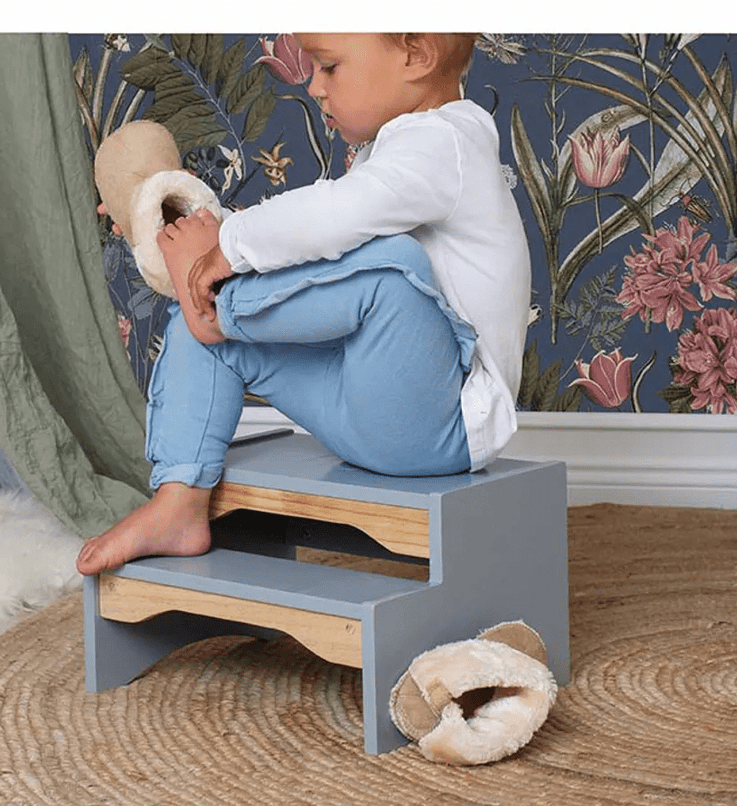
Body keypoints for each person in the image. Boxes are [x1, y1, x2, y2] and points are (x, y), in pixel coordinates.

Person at [76, 32, 530, 576]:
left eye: (329, 67)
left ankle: (223, 309)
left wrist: (224, 247)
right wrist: (182, 228)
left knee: (392, 268)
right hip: (364, 409)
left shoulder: (446, 142)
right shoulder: (397, 152)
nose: (313, 86)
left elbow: (335, 218)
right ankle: (179, 501)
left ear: (415, 56)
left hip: (443, 425)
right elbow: (311, 253)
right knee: (207, 316)